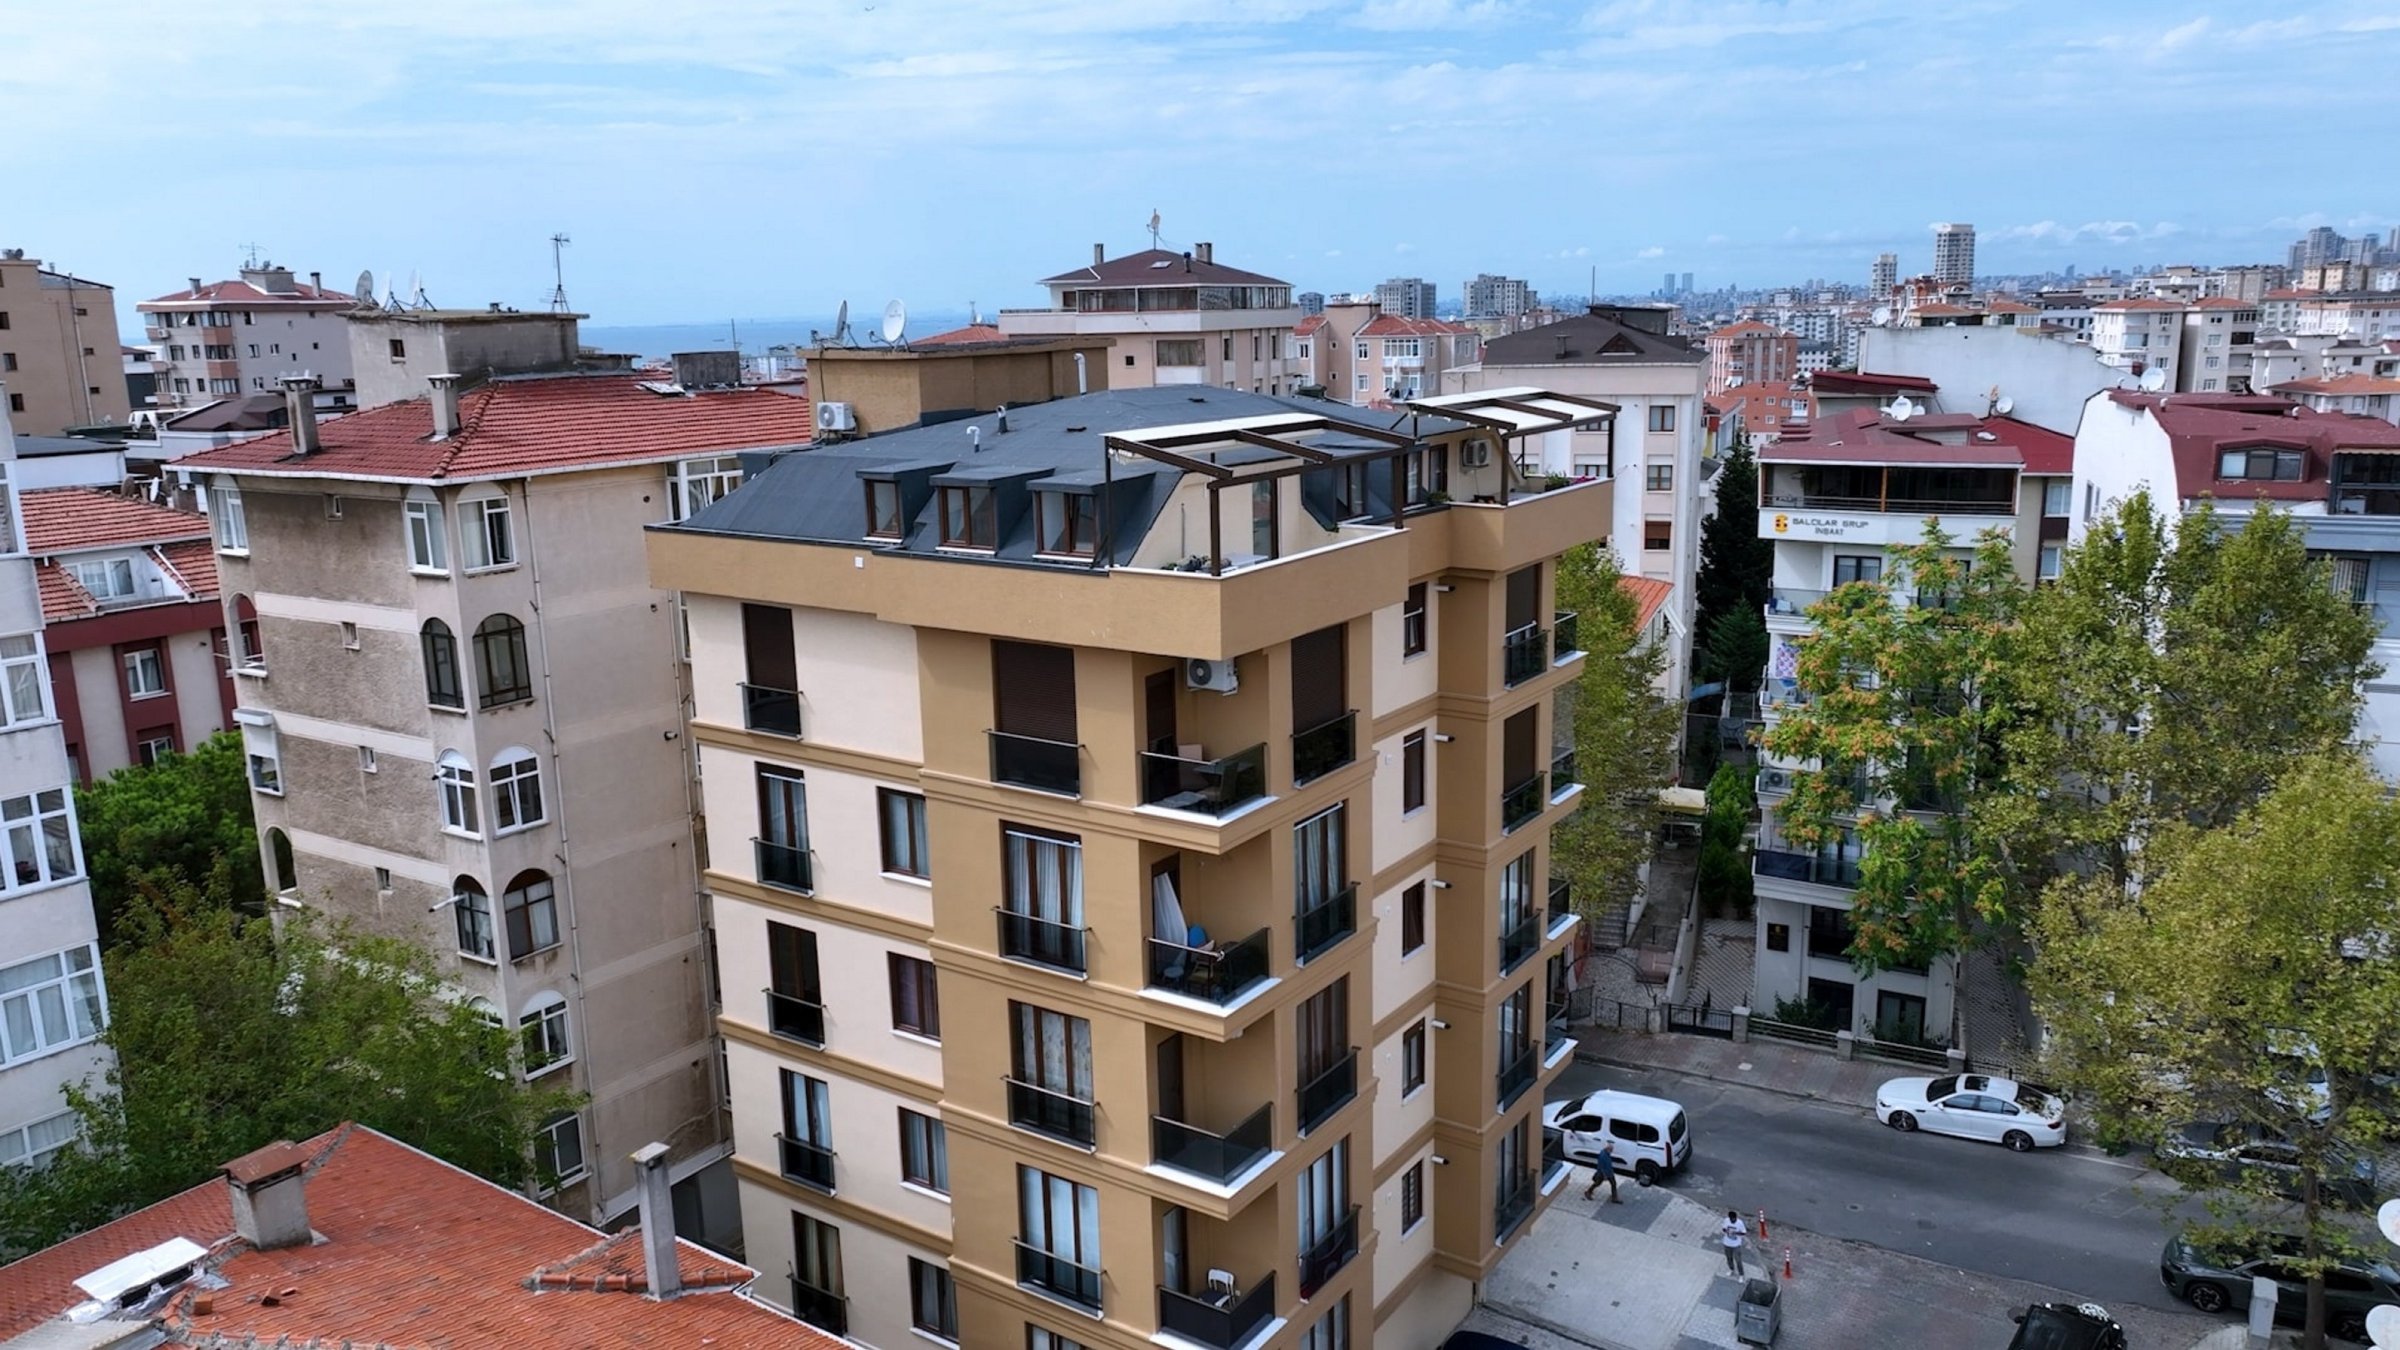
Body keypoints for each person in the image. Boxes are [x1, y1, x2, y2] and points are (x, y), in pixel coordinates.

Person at [1720, 1210, 1748, 1278]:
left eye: (1733, 1219)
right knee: (1729, 1258)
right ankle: (1731, 1269)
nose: (1732, 1220)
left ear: (1736, 1218)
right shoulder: (1726, 1220)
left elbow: (1744, 1232)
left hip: (1736, 1245)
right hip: (1727, 1243)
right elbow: (1723, 1229)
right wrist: (1727, 1231)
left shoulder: (1740, 1223)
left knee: (1738, 1260)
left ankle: (1741, 1274)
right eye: (1731, 1219)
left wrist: (1735, 1233)